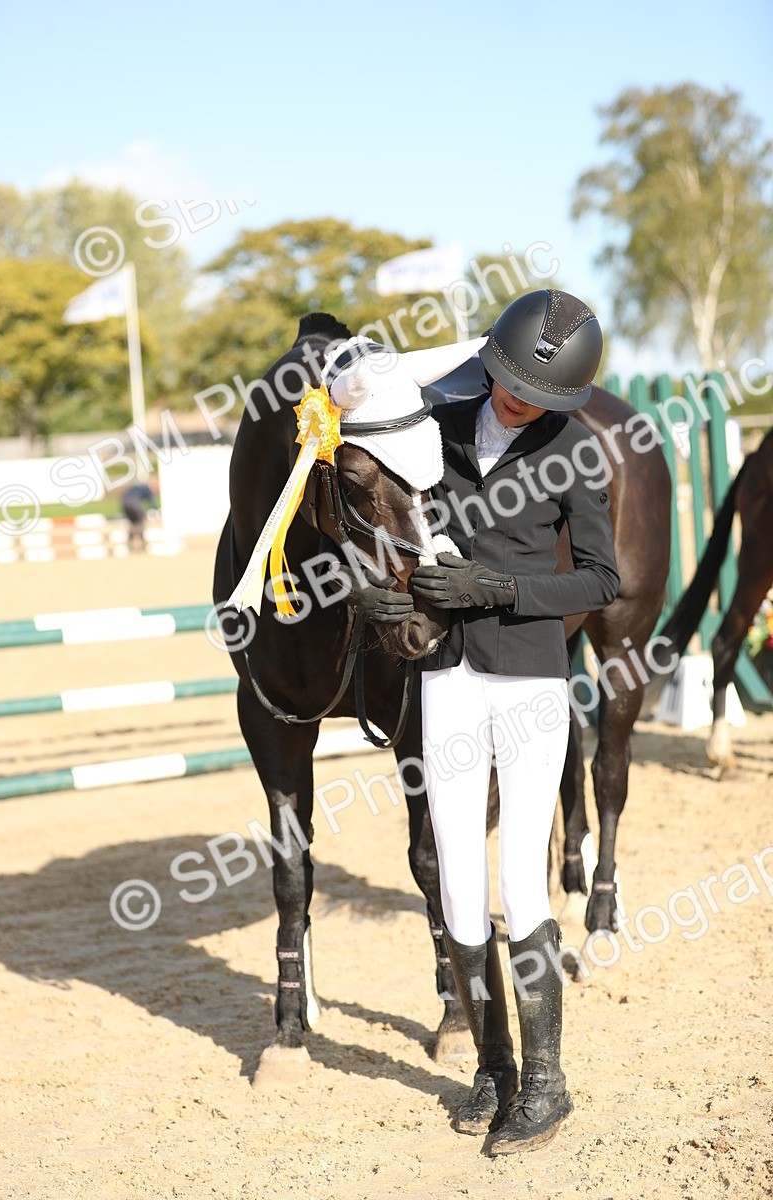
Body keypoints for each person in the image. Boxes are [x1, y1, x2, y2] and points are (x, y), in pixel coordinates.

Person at [333, 289, 620, 1155]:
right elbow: (380, 504)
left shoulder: (577, 449)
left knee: (520, 885)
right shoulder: (441, 427)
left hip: (529, 681)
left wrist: (499, 590)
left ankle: (546, 1084)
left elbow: (601, 582)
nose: (512, 399)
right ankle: (493, 1064)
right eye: (503, 380)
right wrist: (378, 592)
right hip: (444, 674)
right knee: (457, 882)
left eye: (534, 394)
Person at [121, 481, 156, 551]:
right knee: (141, 523)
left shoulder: (136, 487)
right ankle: (142, 544)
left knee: (132, 524)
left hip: (124, 504)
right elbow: (151, 501)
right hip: (134, 504)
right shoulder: (147, 489)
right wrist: (155, 511)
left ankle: (130, 544)